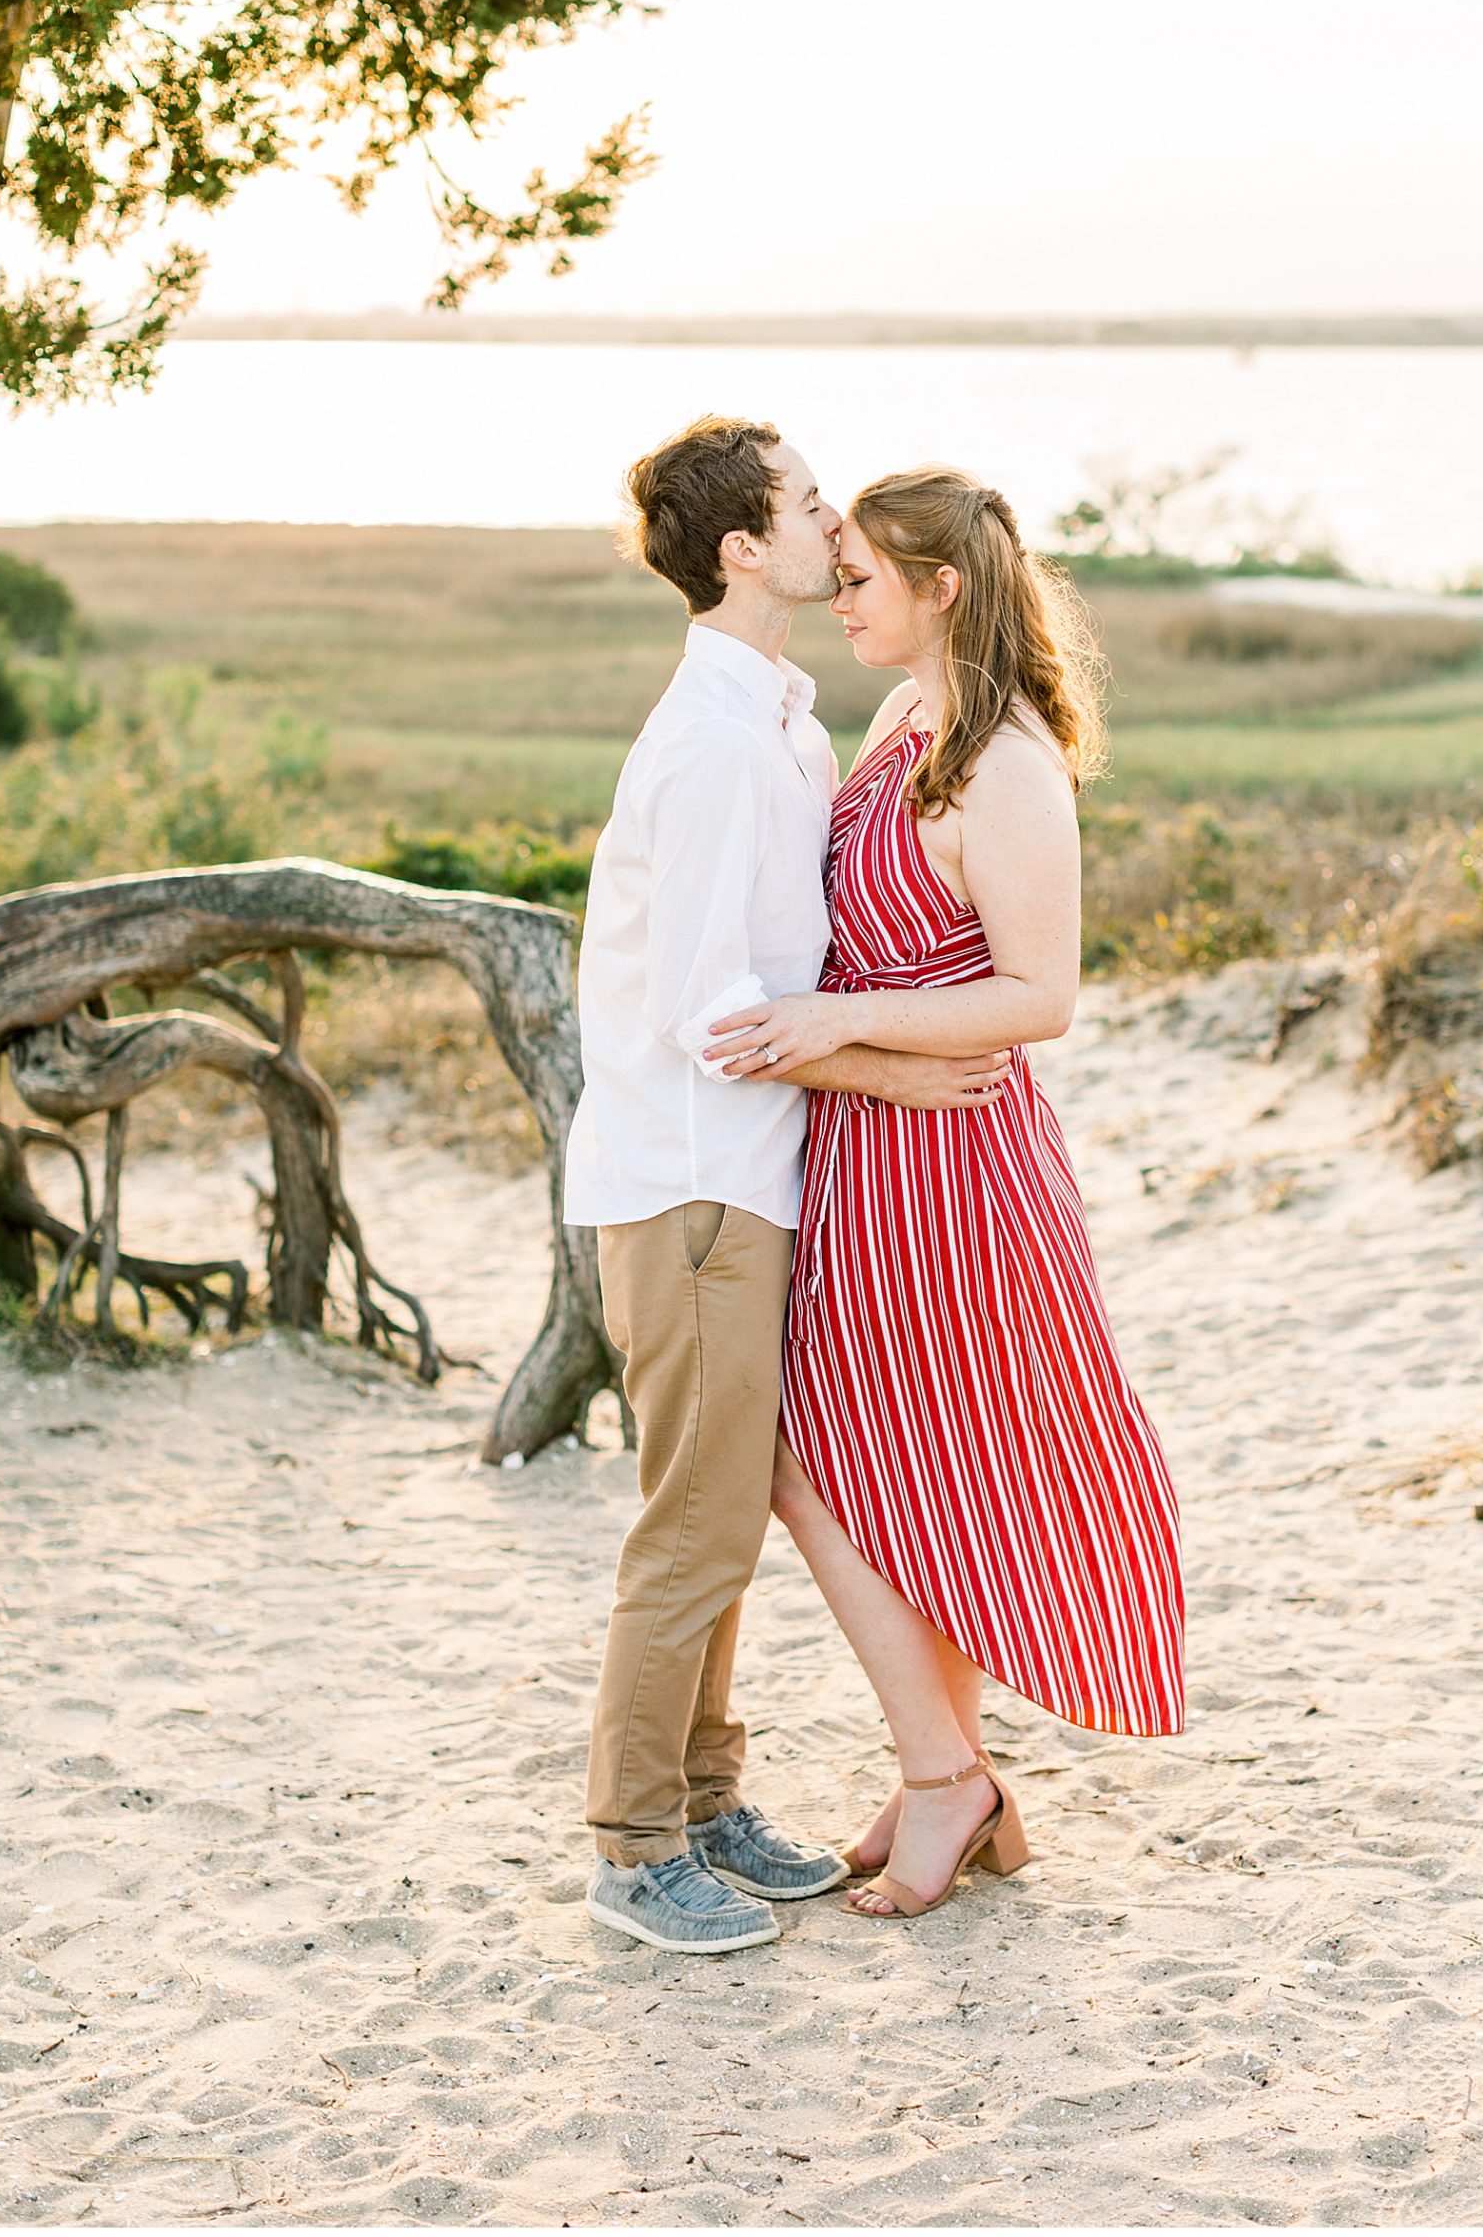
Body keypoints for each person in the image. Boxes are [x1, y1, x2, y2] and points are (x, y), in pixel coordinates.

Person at [703, 466, 1186, 1923]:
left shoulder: (1008, 762)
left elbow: (1040, 996)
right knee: (896, 1469)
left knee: (827, 1463)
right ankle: (946, 1768)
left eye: (860, 577)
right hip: (871, 1150)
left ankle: (941, 1779)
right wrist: (840, 1050)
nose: (838, 596)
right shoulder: (905, 715)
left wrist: (837, 1030)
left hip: (956, 1168)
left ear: (943, 587)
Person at [564, 418, 1013, 1955]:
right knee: (690, 1526)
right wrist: (886, 1071)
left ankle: (703, 1801)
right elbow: (709, 1011)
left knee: (723, 1515)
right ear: (743, 549)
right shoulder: (703, 744)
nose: (837, 524)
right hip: (689, 1176)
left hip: (752, 1169)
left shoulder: (791, 726)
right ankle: (631, 1847)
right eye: (811, 504)